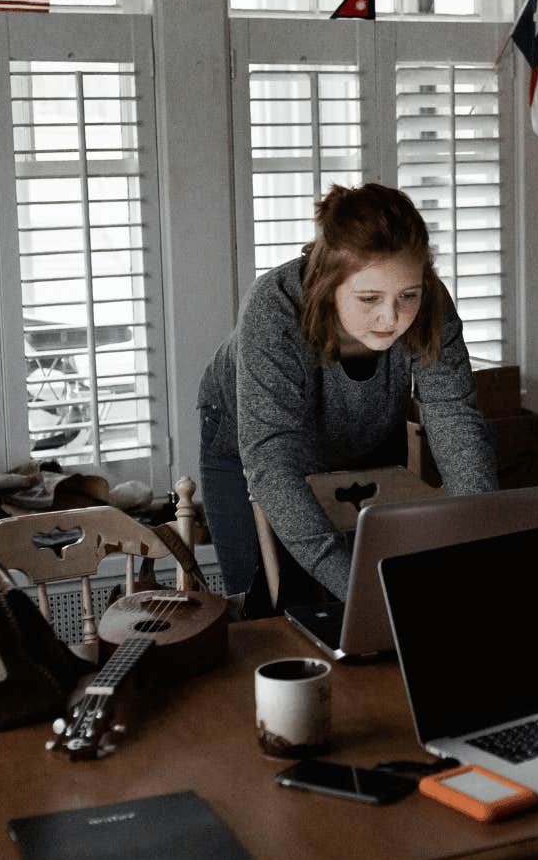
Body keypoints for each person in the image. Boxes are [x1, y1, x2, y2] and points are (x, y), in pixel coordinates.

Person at [196, 183, 496, 614]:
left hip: (365, 434)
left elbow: (455, 420)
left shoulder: (430, 304)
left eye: (407, 296)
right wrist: (357, 590)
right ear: (327, 283)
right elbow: (272, 465)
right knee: (263, 609)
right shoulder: (273, 307)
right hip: (252, 446)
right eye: (369, 298)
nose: (391, 318)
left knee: (389, 589)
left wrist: (478, 541)